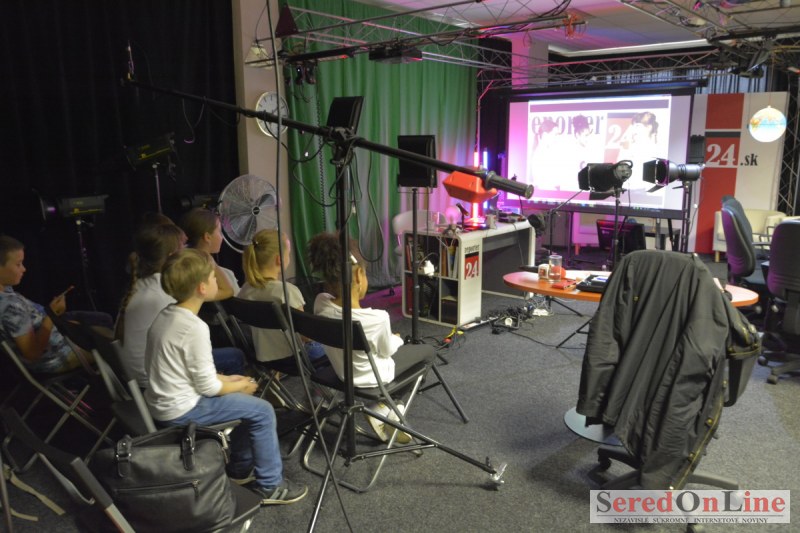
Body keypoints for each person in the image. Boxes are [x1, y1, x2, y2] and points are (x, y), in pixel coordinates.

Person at [144, 248, 307, 505]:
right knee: (263, 410)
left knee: (247, 405)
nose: (215, 281)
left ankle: (241, 468)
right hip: (182, 409)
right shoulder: (194, 328)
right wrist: (240, 386)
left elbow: (191, 374)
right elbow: (209, 387)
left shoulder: (166, 315)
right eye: (212, 277)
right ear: (201, 288)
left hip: (164, 403)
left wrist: (232, 382)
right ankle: (271, 486)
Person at [308, 232, 436, 442]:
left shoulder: (320, 302)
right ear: (359, 275)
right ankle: (388, 406)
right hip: (373, 377)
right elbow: (387, 351)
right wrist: (396, 338)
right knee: (428, 352)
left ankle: (383, 408)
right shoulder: (377, 319)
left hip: (340, 373)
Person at [117, 219, 244, 388]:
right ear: (173, 257)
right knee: (235, 356)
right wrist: (207, 259)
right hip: (156, 379)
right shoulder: (168, 289)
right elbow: (227, 291)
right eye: (183, 247)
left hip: (139, 375)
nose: (187, 250)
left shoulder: (143, 283)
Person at [0, 235, 110, 374]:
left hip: (57, 340)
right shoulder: (11, 307)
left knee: (102, 321)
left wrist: (55, 316)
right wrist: (51, 316)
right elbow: (33, 353)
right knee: (115, 348)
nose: (24, 269)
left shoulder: (6, 291)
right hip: (57, 357)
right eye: (18, 264)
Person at [238, 229, 327, 362]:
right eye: (288, 254)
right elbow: (305, 336)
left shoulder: (245, 289)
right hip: (294, 356)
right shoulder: (287, 291)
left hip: (263, 355)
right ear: (279, 259)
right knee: (336, 344)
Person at [180, 207, 239, 298]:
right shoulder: (226, 276)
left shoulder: (178, 269)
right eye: (219, 232)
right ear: (207, 237)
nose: (222, 237)